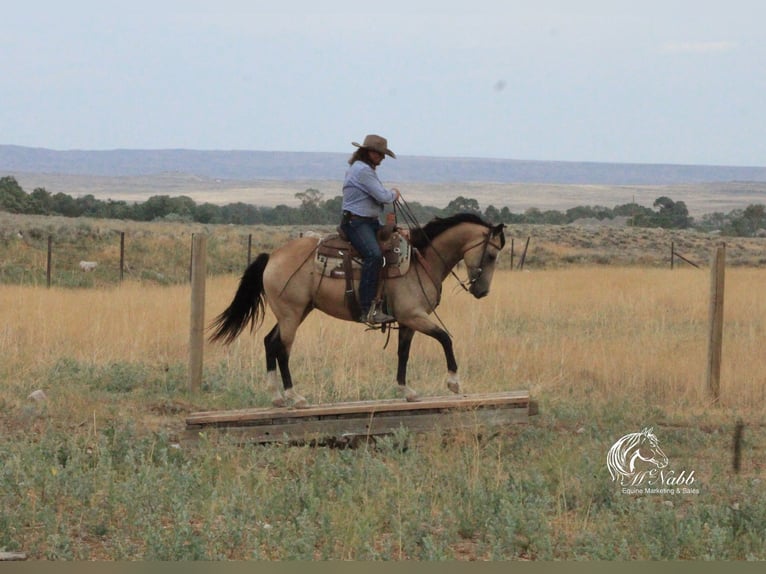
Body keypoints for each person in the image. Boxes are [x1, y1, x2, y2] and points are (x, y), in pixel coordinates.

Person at [340, 134, 401, 324]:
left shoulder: (362, 169)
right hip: (357, 223)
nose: (382, 159)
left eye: (383, 155)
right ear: (368, 152)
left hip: (368, 221)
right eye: (380, 154)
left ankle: (385, 300)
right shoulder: (363, 171)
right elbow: (383, 196)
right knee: (374, 255)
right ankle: (368, 309)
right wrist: (394, 193)